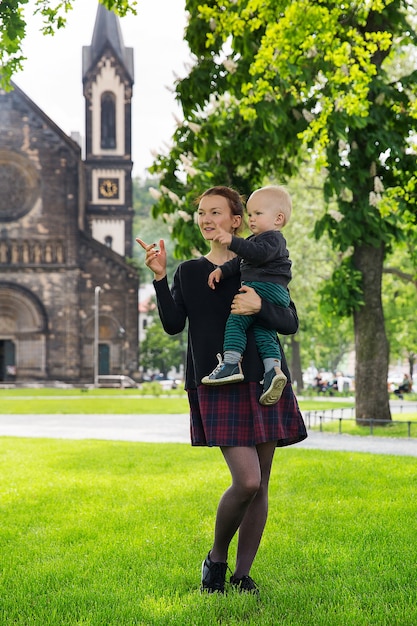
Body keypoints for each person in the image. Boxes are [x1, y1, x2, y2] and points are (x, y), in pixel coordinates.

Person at [136, 185, 307, 596]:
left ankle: (241, 575)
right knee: (246, 481)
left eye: (215, 212)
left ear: (237, 221)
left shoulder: (262, 264)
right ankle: (215, 558)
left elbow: (289, 321)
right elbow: (174, 323)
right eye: (201, 213)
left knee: (262, 484)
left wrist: (258, 308)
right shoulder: (191, 272)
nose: (206, 220)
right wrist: (160, 277)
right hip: (217, 383)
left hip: (266, 381)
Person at [201, 185, 292, 406]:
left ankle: (231, 363)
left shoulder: (272, 239)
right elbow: (241, 262)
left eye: (258, 214)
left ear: (278, 219)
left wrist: (233, 241)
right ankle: (273, 371)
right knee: (264, 333)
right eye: (250, 214)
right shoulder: (256, 239)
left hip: (265, 288)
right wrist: (222, 270)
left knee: (236, 322)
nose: (251, 219)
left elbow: (255, 255)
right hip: (272, 291)